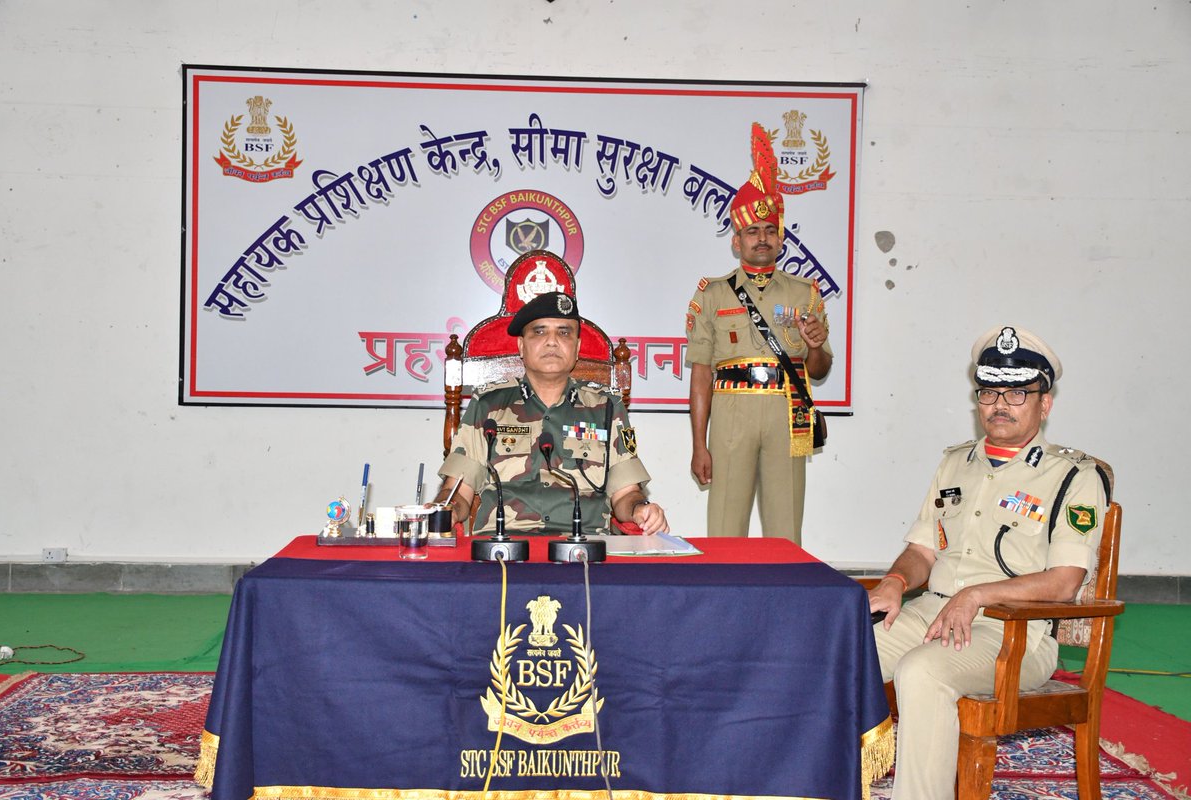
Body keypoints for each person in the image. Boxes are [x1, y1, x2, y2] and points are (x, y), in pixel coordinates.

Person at [867, 325, 1107, 799]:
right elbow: (922, 551)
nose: (1000, 404)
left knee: (923, 671)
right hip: (931, 612)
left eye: (1017, 393)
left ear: (1045, 404)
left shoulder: (1074, 475)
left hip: (1014, 632)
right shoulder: (954, 463)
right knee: (843, 651)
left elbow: (1064, 581)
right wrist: (895, 579)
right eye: (989, 392)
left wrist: (977, 595)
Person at [685, 123, 832, 542]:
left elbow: (820, 369)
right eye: (752, 231)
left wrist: (815, 346)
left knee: (786, 529)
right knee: (725, 528)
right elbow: (701, 374)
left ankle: (785, 586)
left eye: (770, 230)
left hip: (787, 411)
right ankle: (723, 587)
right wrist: (699, 444)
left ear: (781, 238)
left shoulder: (805, 293)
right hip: (731, 411)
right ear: (737, 241)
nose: (762, 238)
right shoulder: (712, 294)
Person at [436, 291, 669, 536]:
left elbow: (626, 493)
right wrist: (447, 509)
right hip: (504, 545)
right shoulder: (488, 405)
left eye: (564, 332)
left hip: (584, 545)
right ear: (521, 346)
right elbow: (458, 489)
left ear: (577, 347)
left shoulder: (607, 408)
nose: (552, 341)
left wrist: (640, 509)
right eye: (539, 332)